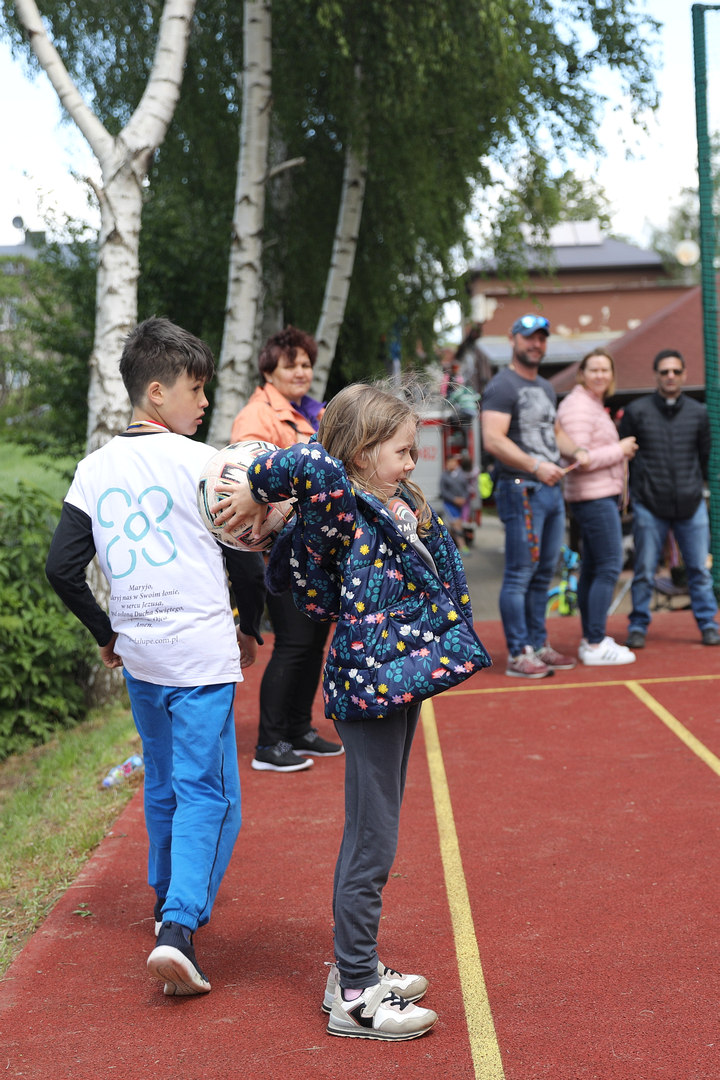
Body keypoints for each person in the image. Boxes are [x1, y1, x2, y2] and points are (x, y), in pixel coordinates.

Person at [214, 382, 491, 1040]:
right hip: (371, 688)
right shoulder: (338, 508)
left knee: (375, 832)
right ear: (362, 453)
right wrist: (257, 485)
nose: (413, 461)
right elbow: (312, 461)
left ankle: (351, 968)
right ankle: (358, 992)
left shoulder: (396, 500)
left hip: (400, 680)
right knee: (373, 840)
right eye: (402, 450)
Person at [45, 317, 266, 997]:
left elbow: (61, 569)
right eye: (196, 389)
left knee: (164, 783)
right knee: (210, 796)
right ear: (157, 392)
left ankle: (165, 898)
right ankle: (179, 928)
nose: (205, 402)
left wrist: (105, 632)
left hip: (140, 654)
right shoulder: (204, 464)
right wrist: (251, 625)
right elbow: (245, 557)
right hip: (199, 655)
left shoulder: (93, 470)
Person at [230, 326, 343, 772]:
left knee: (313, 643)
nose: (301, 372)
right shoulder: (256, 416)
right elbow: (243, 483)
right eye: (291, 364)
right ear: (269, 370)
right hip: (281, 549)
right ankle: (270, 742)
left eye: (306, 364)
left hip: (315, 547)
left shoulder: (313, 413)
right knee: (293, 643)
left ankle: (298, 728)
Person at [481, 314, 590, 678]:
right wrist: (535, 466)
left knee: (544, 573)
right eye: (529, 337)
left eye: (541, 338)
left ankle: (538, 645)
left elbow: (555, 432)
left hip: (549, 489)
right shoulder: (502, 385)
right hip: (522, 488)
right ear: (513, 339)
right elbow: (492, 439)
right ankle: (519, 653)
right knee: (520, 574)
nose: (536, 344)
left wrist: (577, 450)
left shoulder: (543, 386)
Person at [618, 348, 720, 648]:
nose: (670, 376)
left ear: (684, 374)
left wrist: (697, 489)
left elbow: (705, 456)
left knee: (699, 570)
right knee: (644, 570)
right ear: (656, 375)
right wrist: (637, 495)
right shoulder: (636, 411)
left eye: (676, 371)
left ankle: (708, 624)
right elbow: (627, 458)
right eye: (665, 372)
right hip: (650, 505)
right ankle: (638, 625)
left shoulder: (698, 413)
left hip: (691, 504)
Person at [556, 349, 638, 665]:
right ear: (582, 374)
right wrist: (619, 449)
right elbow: (580, 458)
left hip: (594, 495)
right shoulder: (579, 405)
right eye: (594, 369)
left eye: (606, 369)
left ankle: (593, 638)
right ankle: (594, 642)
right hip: (593, 496)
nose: (601, 375)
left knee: (593, 566)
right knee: (608, 566)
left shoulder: (587, 404)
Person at [439, 454, 472, 551]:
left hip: (460, 505)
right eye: (449, 462)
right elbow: (443, 492)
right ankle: (462, 546)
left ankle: (451, 546)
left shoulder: (462, 475)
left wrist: (463, 499)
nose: (452, 464)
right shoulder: (444, 476)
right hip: (449, 504)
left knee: (453, 526)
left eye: (453, 462)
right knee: (457, 524)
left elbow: (467, 489)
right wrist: (454, 499)